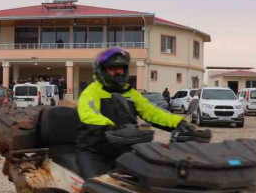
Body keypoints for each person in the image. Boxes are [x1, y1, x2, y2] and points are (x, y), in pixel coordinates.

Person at [76, 47, 199, 179]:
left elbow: (151, 111)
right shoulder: (91, 92)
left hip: (126, 151)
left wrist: (179, 123)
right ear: (101, 70)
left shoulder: (130, 93)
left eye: (121, 68)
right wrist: (110, 127)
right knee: (97, 188)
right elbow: (89, 112)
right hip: (95, 153)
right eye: (112, 68)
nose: (118, 72)